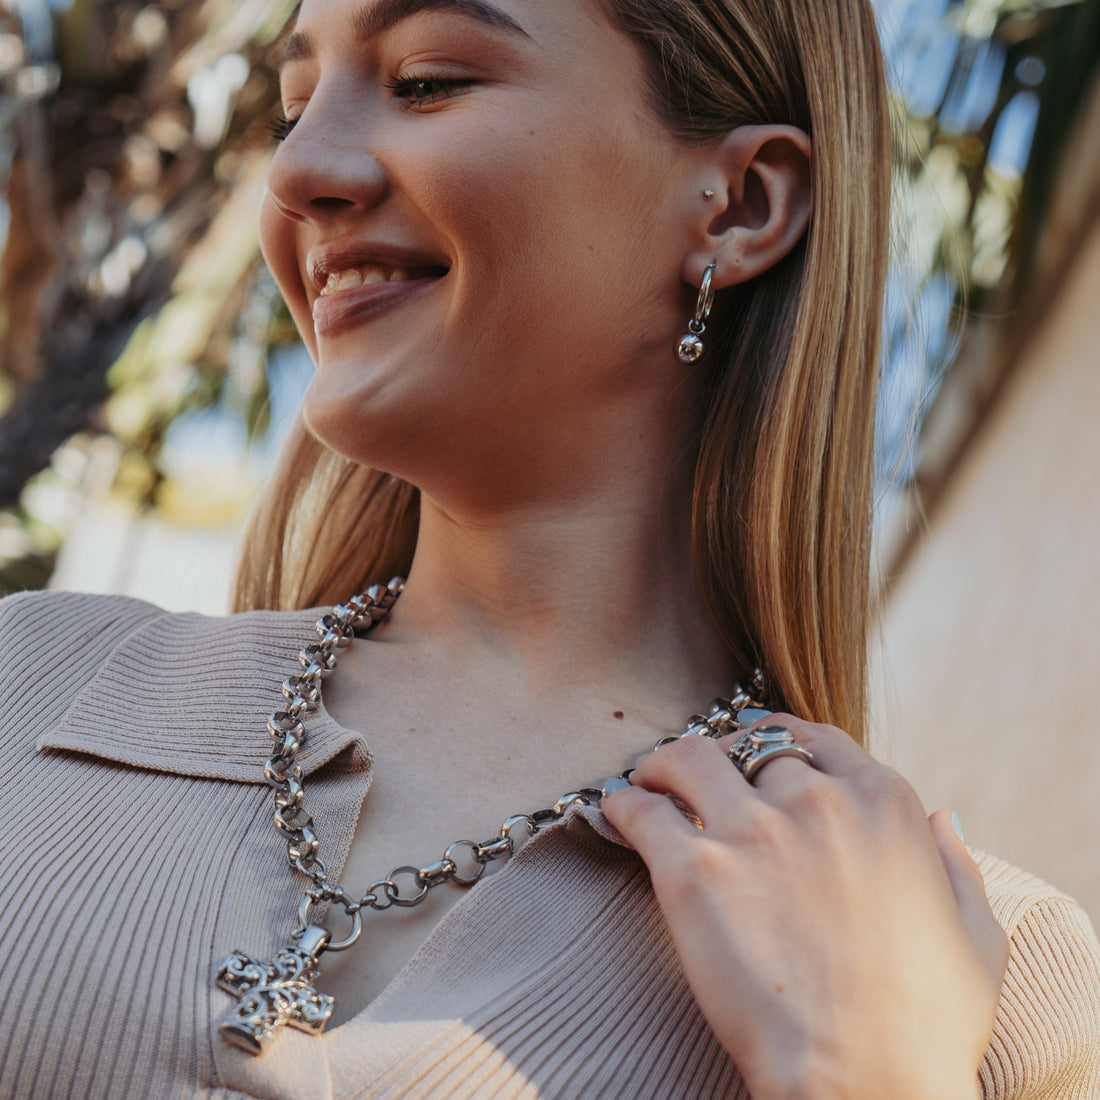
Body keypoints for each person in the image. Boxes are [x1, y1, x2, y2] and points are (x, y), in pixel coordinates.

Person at [2, 0, 1098, 1097]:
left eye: (427, 79)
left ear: (740, 205)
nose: (296, 172)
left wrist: (875, 1072)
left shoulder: (986, 978)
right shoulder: (29, 680)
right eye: (290, 108)